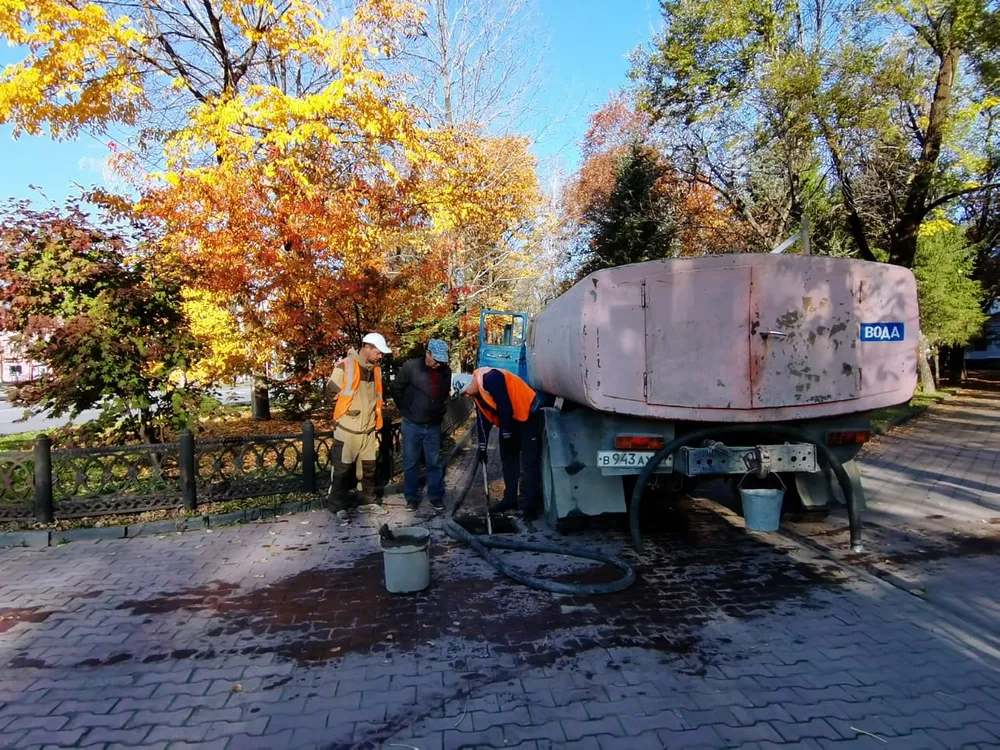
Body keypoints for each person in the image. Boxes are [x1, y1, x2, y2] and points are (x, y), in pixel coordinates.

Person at [460, 367, 543, 520]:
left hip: (528, 414)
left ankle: (530, 506)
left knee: (529, 461)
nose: (465, 395)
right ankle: (510, 500)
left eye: (465, 391)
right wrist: (482, 446)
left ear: (470, 384)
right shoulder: (476, 394)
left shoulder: (491, 378)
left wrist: (506, 431)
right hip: (511, 419)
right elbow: (482, 420)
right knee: (508, 459)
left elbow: (505, 404)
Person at [326, 332, 392, 521]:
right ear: (367, 347)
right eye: (379, 352)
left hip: (368, 429)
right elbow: (330, 392)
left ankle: (366, 503)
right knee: (342, 469)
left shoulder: (375, 370)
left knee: (368, 469)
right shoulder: (345, 366)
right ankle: (337, 506)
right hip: (348, 429)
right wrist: (351, 409)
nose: (381, 356)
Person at [393, 339, 452, 512]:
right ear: (428, 353)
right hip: (412, 424)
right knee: (411, 463)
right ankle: (411, 497)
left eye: (442, 361)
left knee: (434, 463)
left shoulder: (445, 371)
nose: (438, 364)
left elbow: (444, 394)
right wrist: (406, 409)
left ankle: (436, 496)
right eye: (436, 360)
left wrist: (440, 410)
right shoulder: (411, 367)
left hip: (433, 425)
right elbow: (396, 389)